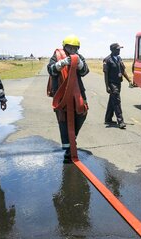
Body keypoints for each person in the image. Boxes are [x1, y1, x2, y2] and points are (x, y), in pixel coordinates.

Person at [47, 35, 89, 163]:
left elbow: (85, 72)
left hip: (78, 94)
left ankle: (72, 138)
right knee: (63, 120)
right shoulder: (57, 56)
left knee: (82, 113)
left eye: (75, 48)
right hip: (61, 94)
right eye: (70, 47)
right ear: (65, 47)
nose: (72, 50)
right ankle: (68, 149)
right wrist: (61, 63)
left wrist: (80, 64)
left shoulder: (79, 57)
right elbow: (51, 70)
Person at [103, 43, 132, 129]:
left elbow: (122, 71)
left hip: (118, 83)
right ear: (112, 50)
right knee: (117, 101)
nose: (119, 50)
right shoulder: (107, 60)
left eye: (119, 49)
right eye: (117, 49)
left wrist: (129, 80)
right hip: (112, 84)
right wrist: (107, 86)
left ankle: (108, 118)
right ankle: (120, 121)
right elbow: (106, 74)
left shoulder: (119, 58)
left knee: (113, 100)